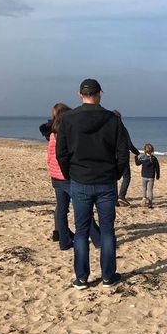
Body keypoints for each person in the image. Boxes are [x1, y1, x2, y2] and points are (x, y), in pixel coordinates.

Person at [56, 79, 128, 290]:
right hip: (99, 181)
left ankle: (82, 278)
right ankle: (106, 276)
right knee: (106, 230)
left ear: (81, 94)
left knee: (82, 230)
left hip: (85, 181)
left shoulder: (69, 119)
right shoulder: (111, 119)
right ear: (100, 94)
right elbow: (122, 152)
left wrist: (70, 173)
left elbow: (61, 152)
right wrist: (116, 173)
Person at [47, 103, 100, 249]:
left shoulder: (52, 134)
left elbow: (49, 157)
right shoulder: (67, 135)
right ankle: (97, 238)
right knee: (82, 208)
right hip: (67, 177)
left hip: (55, 177)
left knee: (62, 210)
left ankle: (64, 242)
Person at [112, 110, 140, 207]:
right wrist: (137, 153)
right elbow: (129, 145)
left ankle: (115, 198)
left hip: (111, 156)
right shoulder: (123, 129)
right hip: (122, 157)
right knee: (126, 176)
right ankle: (121, 196)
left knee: (113, 178)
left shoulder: (107, 129)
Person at [135, 143, 161, 208]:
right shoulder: (154, 158)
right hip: (151, 176)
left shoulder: (143, 157)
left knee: (144, 188)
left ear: (144, 150)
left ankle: (144, 198)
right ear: (152, 150)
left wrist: (136, 158)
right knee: (150, 190)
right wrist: (158, 175)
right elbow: (157, 167)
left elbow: (137, 163)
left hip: (144, 176)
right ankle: (150, 203)